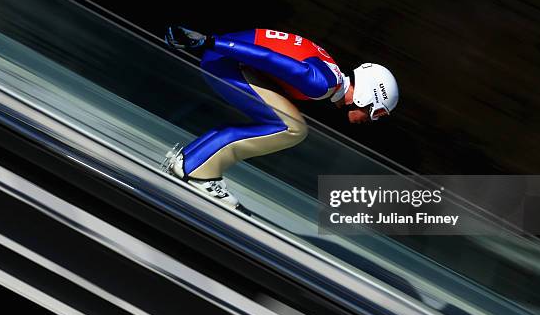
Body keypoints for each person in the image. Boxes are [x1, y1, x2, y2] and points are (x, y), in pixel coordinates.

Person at [164, 26, 399, 209]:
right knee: (293, 128)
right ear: (368, 96)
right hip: (224, 61)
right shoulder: (322, 84)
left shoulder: (331, 73)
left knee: (281, 123)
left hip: (226, 58)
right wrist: (208, 41)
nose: (372, 119)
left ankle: (193, 158)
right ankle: (197, 170)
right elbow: (268, 58)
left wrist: (212, 43)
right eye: (377, 112)